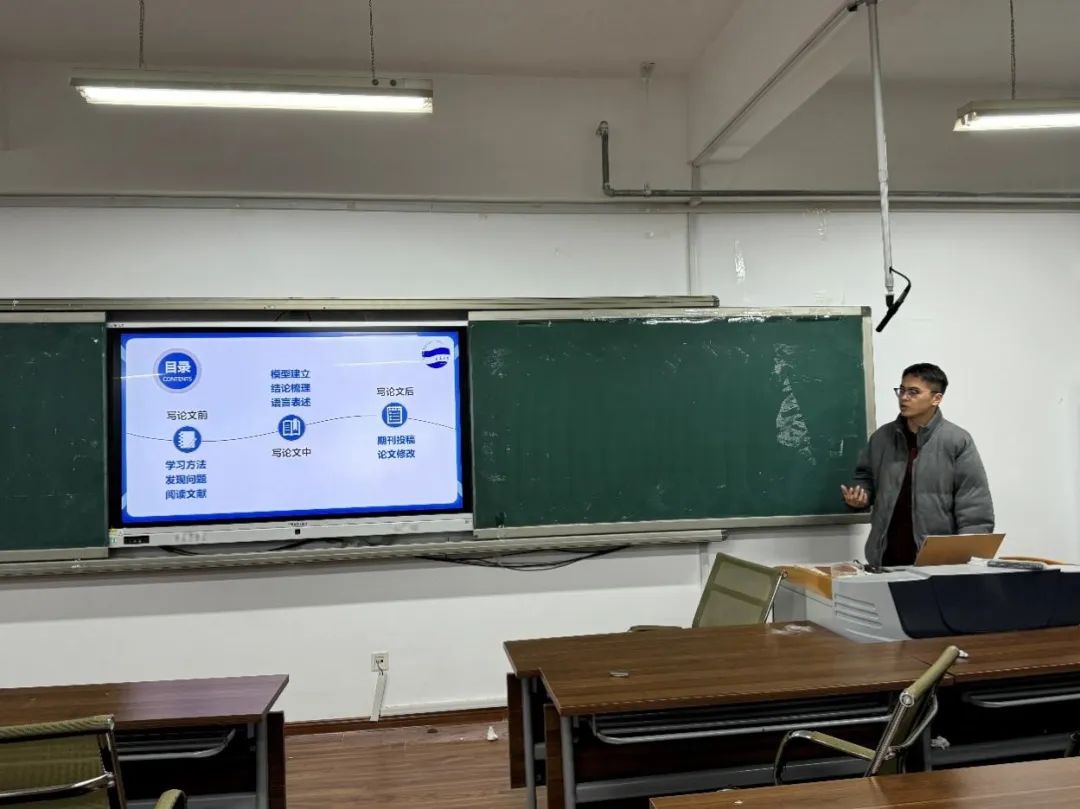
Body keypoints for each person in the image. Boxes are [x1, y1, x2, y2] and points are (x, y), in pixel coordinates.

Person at [841, 363, 994, 568]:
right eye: (902, 390)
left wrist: (968, 558)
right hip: (886, 558)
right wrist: (861, 496)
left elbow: (974, 505)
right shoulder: (881, 438)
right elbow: (864, 478)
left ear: (936, 398)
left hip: (939, 561)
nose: (904, 397)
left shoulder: (957, 441)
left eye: (913, 392)